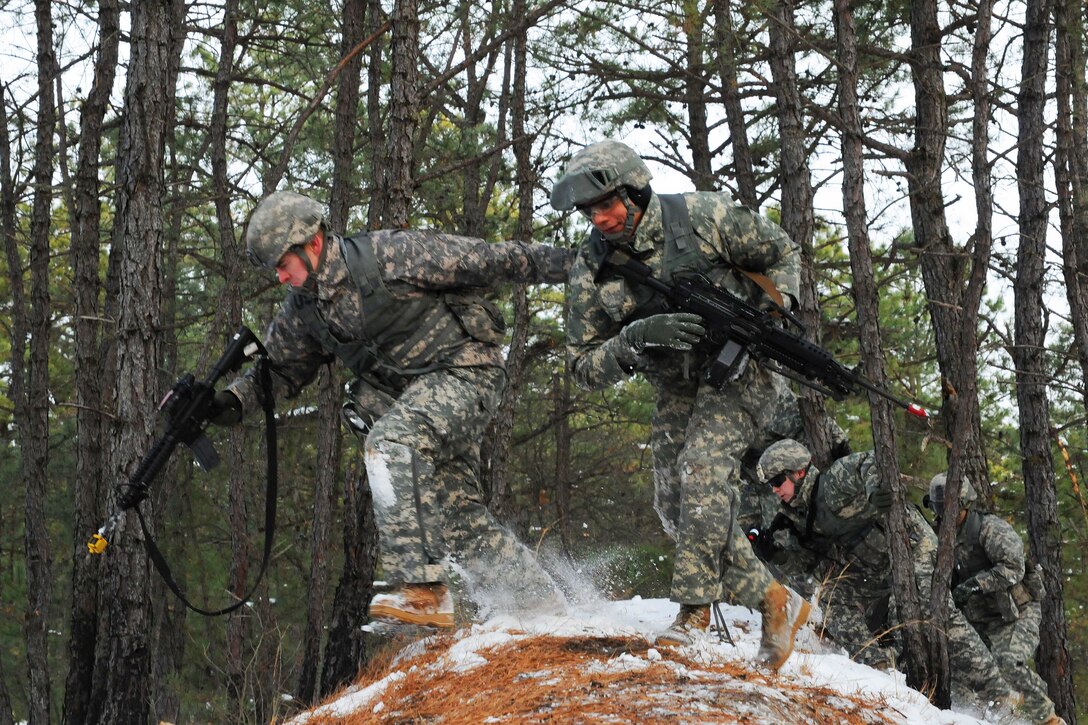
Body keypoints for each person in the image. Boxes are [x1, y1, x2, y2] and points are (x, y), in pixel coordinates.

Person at [210, 190, 573, 628]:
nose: (281, 278)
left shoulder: (391, 254)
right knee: (455, 517)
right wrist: (231, 401)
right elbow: (281, 370)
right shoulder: (303, 310)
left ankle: (422, 592)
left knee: (391, 442)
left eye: (284, 266)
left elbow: (490, 259)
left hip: (465, 372)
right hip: (410, 399)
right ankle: (543, 607)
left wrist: (579, 264)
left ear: (314, 244)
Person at [552, 139, 810, 670]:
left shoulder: (701, 216)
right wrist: (633, 340)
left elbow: (780, 250)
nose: (599, 219)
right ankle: (772, 600)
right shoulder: (591, 270)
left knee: (702, 470)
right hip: (677, 385)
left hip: (742, 369)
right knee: (675, 505)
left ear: (635, 191)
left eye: (608, 205)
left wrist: (774, 309)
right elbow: (581, 365)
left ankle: (692, 614)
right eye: (589, 211)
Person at [757, 440, 1020, 713]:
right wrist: (776, 555)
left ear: (798, 472)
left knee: (920, 608)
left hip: (912, 545)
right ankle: (882, 673)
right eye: (771, 485)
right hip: (873, 570)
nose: (775, 490)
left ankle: (997, 691)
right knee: (834, 605)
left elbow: (872, 460)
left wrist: (874, 490)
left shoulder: (834, 481)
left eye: (778, 480)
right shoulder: (796, 515)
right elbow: (809, 566)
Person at [927, 473, 1064, 725]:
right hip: (978, 620)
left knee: (1010, 662)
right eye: (939, 508)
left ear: (965, 503)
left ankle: (1048, 719)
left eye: (951, 508)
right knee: (962, 673)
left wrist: (975, 585)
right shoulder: (937, 536)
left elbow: (1014, 568)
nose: (946, 514)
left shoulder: (990, 529)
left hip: (1015, 613)